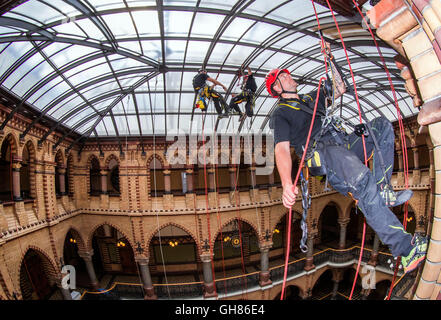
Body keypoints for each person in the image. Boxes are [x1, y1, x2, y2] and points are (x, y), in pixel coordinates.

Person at [266, 41, 427, 274]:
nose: (289, 77)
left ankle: (383, 188)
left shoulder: (311, 99)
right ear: (278, 88)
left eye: (287, 74)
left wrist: (330, 59)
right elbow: (281, 149)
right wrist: (286, 184)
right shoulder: (281, 113)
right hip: (323, 153)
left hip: (342, 144)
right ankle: (405, 248)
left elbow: (340, 87)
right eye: (283, 77)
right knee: (362, 183)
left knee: (381, 126)